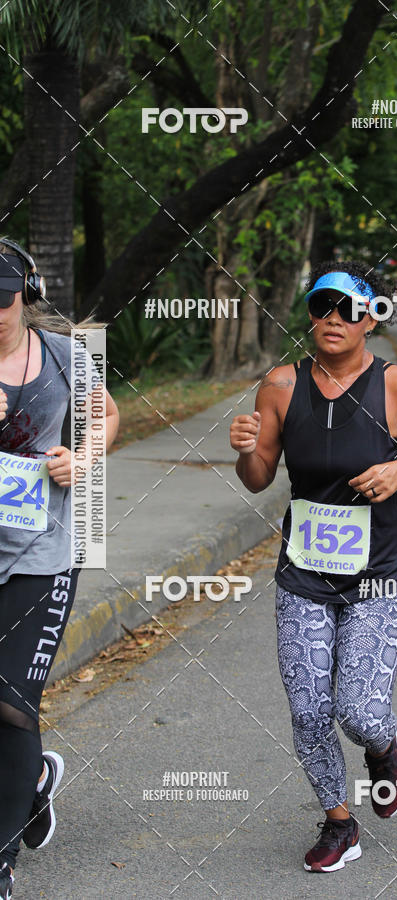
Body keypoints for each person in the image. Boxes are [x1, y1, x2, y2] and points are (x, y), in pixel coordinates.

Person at [230, 262, 397, 873]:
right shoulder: (279, 385)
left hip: (376, 573)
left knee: (358, 709)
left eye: (350, 309)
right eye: (324, 307)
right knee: (307, 709)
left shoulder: (396, 385)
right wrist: (246, 450)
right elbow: (258, 479)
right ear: (310, 315)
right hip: (304, 572)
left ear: (370, 318)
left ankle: (383, 749)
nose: (335, 319)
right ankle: (338, 823)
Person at [0, 239, 119, 900]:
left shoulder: (61, 355)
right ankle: (34, 783)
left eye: (4, 299)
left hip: (41, 556)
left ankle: (1, 860)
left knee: (12, 704)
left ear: (28, 294)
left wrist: (84, 455)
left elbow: (105, 416)